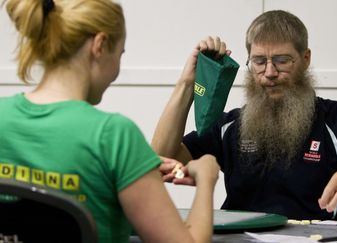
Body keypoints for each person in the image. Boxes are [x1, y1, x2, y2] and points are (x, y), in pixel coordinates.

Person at [152, 10, 337, 220]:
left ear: (305, 59)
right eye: (259, 61)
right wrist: (188, 82)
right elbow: (159, 162)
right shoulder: (230, 126)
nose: (269, 72)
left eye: (282, 60)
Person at [1, 0, 220, 242]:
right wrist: (206, 178)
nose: (117, 69)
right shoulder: (113, 136)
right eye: (120, 54)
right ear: (100, 45)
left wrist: (128, 169)